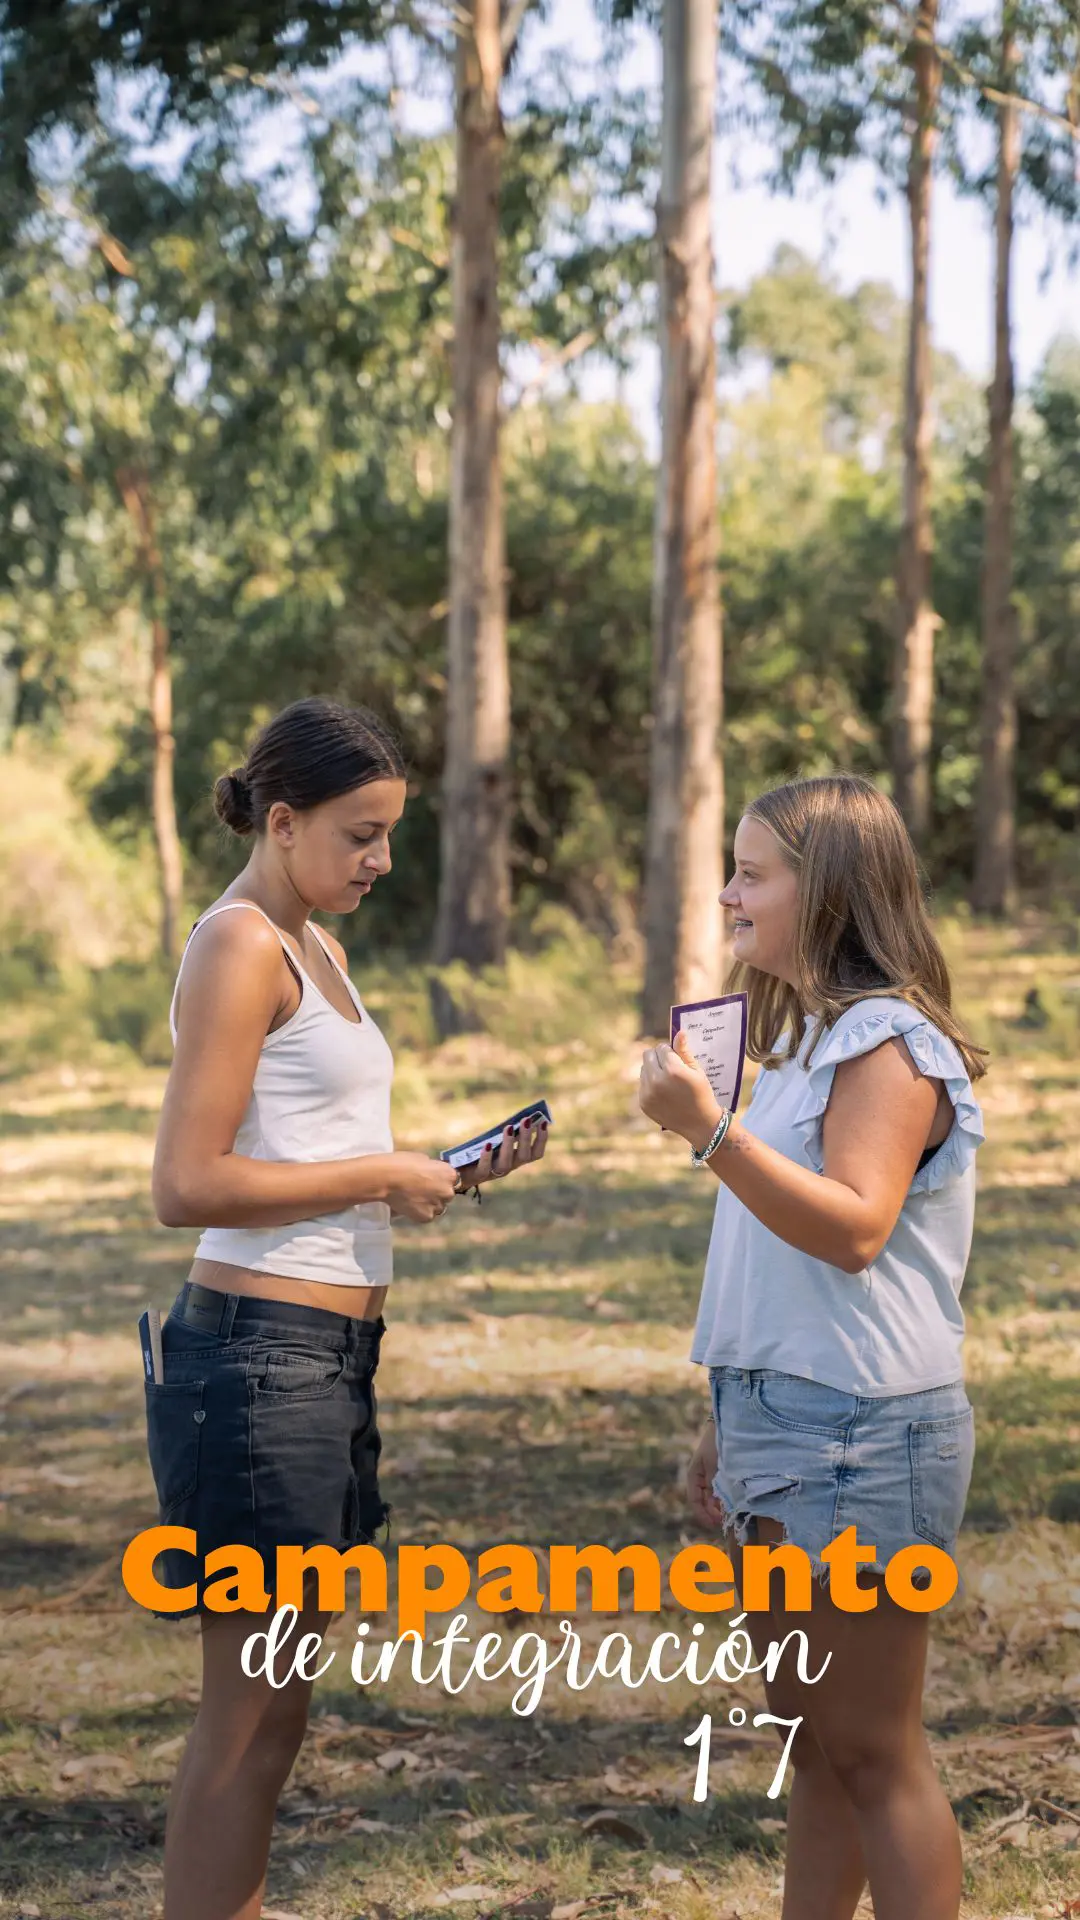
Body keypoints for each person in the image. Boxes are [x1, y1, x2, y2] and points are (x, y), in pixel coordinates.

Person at [147, 697, 548, 1920]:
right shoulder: (240, 945)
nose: (380, 860)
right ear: (281, 821)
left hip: (324, 1357)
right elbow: (186, 1182)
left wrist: (417, 1175)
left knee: (279, 1716)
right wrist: (383, 1173)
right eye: (360, 835)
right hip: (258, 1363)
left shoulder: (313, 939)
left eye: (387, 834)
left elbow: (299, 1143)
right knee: (246, 1718)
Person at [638, 774, 986, 1920]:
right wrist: (725, 1418)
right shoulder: (802, 1039)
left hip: (860, 1432)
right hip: (784, 1419)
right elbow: (772, 1254)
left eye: (752, 873)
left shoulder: (888, 1041)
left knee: (875, 1755)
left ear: (826, 891)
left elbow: (853, 1229)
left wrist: (708, 1131)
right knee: (818, 1750)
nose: (727, 894)